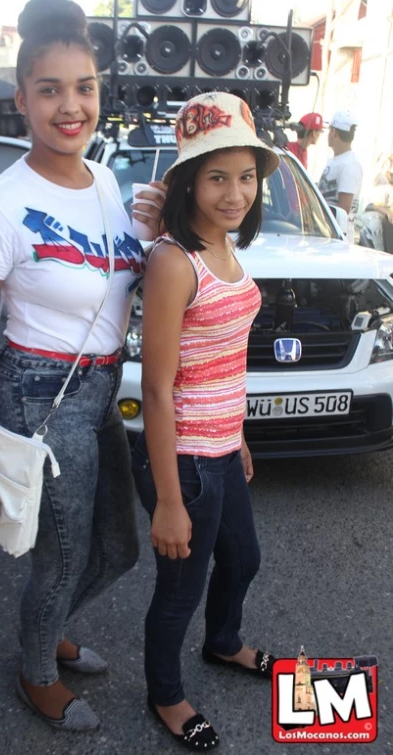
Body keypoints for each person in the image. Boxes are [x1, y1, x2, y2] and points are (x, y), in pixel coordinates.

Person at [0, 0, 164, 732]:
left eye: (84, 88)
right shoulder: (0, 205)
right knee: (64, 557)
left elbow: (122, 270)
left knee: (119, 549)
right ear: (22, 99)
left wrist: (157, 226)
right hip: (38, 395)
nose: (70, 107)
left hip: (101, 388)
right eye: (50, 91)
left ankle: (47, 628)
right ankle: (37, 669)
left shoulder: (105, 181)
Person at [131, 92, 280, 751]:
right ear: (189, 181)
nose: (234, 191)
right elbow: (158, 390)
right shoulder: (173, 261)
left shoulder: (223, 248)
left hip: (223, 446)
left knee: (242, 557)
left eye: (245, 176)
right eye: (217, 176)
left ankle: (222, 643)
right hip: (184, 456)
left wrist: (239, 433)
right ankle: (165, 693)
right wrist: (168, 500)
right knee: (178, 589)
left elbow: (221, 358)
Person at [318, 110, 363, 240]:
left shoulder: (349, 165)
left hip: (336, 237)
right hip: (325, 234)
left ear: (334, 133)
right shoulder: (336, 161)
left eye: (329, 130)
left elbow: (343, 209)